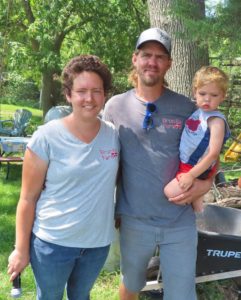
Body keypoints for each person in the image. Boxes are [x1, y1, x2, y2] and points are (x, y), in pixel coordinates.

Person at [103, 28, 214, 300]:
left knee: (181, 293)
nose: (152, 61)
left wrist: (203, 185)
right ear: (135, 59)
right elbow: (104, 161)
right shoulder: (115, 107)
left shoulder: (187, 108)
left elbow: (211, 156)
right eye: (146, 55)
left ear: (169, 64)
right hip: (133, 220)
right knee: (131, 284)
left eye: (159, 56)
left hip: (179, 222)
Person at [7, 55, 120, 300]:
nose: (89, 99)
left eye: (96, 91)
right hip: (52, 244)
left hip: (97, 245)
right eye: (81, 91)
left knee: (81, 296)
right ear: (68, 95)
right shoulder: (46, 137)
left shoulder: (114, 136)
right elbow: (27, 198)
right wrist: (20, 249)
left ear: (104, 95)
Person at [164, 66, 230, 212]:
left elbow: (213, 153)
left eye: (214, 95)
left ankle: (199, 208)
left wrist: (191, 175)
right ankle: (200, 217)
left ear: (222, 96)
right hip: (187, 163)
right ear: (195, 92)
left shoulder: (216, 120)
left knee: (170, 192)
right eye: (202, 93)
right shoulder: (199, 112)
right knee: (196, 207)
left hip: (197, 167)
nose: (207, 99)